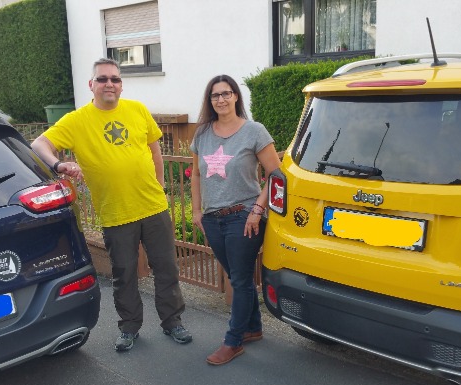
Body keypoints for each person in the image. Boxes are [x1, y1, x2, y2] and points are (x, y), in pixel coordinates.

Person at [31, 58, 192, 352]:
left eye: (115, 79)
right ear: (91, 84)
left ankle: (173, 322)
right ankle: (129, 328)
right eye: (103, 79)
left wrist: (160, 188)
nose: (109, 84)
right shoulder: (76, 121)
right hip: (116, 214)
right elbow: (38, 145)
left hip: (153, 208)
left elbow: (155, 151)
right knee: (125, 275)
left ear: (121, 85)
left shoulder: (137, 110)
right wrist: (58, 164)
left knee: (167, 269)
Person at [190, 75, 281, 365]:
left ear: (236, 96)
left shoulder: (254, 131)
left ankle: (233, 341)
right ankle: (253, 327)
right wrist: (196, 211)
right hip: (213, 218)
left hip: (245, 216)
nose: (221, 99)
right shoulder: (202, 134)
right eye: (215, 95)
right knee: (237, 276)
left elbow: (276, 175)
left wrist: (257, 210)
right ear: (210, 100)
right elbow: (196, 175)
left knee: (240, 279)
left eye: (226, 93)